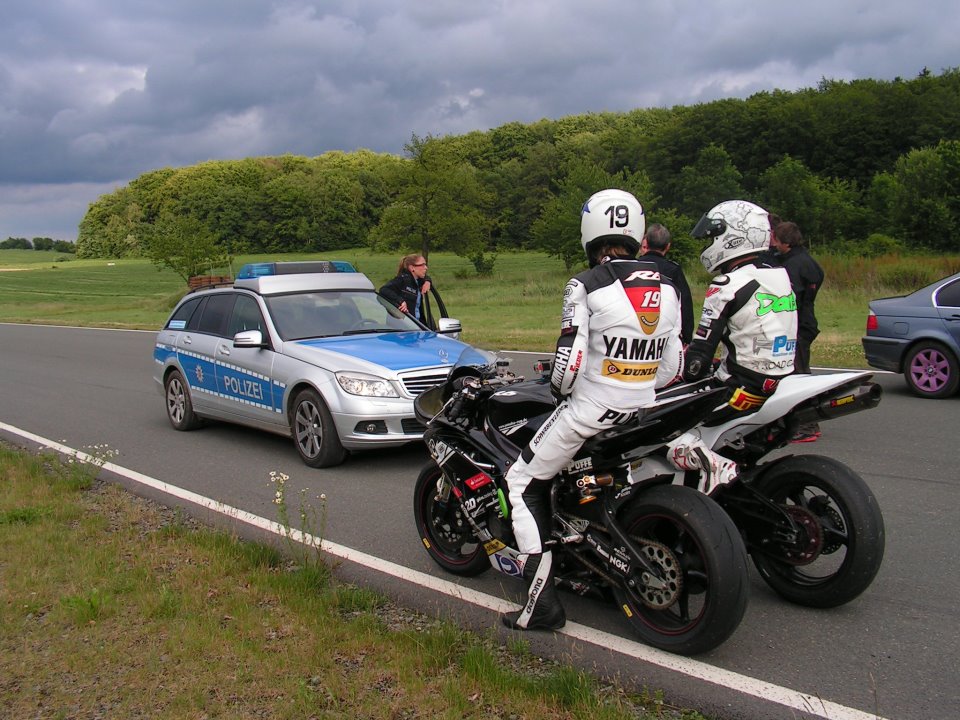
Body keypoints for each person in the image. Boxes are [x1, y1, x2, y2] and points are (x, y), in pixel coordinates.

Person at [502, 189, 684, 631]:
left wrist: (561, 393)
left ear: (589, 232)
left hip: (592, 410)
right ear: (637, 232)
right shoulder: (669, 286)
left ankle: (541, 606)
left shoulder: (584, 283)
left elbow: (569, 364)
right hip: (645, 409)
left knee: (521, 482)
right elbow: (672, 366)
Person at [669, 200, 799, 493]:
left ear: (734, 236)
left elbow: (697, 361)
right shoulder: (780, 276)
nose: (709, 244)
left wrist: (673, 372)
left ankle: (712, 477)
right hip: (783, 381)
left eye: (713, 237)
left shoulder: (727, 285)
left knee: (668, 423)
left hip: (742, 388)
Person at [770, 221, 825, 442]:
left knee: (797, 375)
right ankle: (791, 421)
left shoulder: (792, 265)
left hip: (797, 326)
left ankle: (808, 425)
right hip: (807, 321)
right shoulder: (808, 260)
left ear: (785, 242)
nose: (774, 244)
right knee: (795, 373)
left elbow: (789, 298)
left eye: (776, 240)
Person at [640, 223, 694, 344]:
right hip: (666, 333)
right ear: (668, 246)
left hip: (636, 329)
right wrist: (687, 337)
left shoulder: (633, 266)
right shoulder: (673, 270)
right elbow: (685, 304)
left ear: (646, 243)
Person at [379, 254, 433, 324]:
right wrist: (401, 301)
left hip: (416, 325)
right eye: (422, 265)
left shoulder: (419, 281)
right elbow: (384, 290)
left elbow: (426, 277)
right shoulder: (402, 280)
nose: (426, 268)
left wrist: (428, 281)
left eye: (425, 265)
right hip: (401, 326)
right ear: (412, 268)